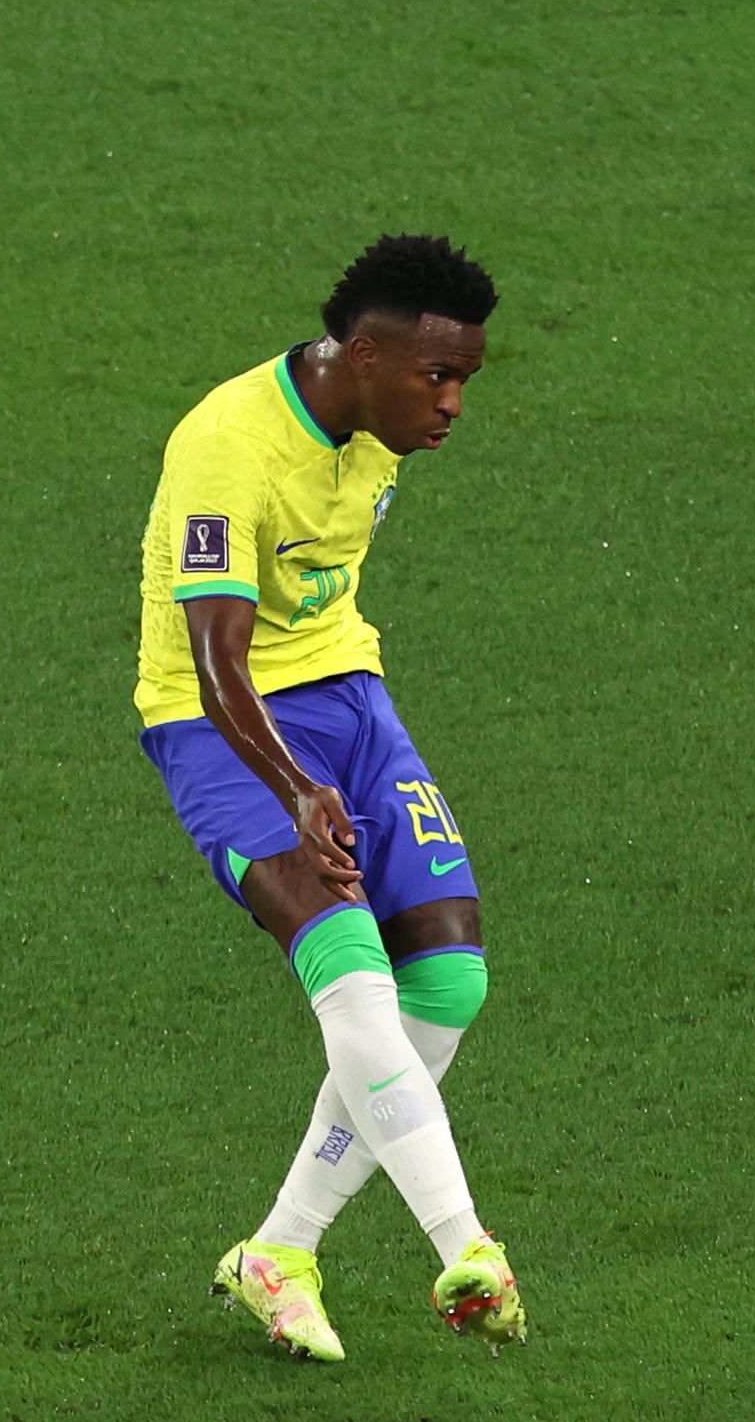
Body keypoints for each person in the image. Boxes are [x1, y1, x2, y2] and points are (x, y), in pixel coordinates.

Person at [134, 234, 525, 1359]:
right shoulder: (227, 446)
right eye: (437, 378)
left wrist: (341, 750)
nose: (452, 404)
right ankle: (467, 1245)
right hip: (220, 722)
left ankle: (280, 1250)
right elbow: (216, 662)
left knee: (447, 976)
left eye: (467, 381)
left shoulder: (376, 425)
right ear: (362, 354)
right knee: (352, 980)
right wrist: (298, 787)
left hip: (350, 699)